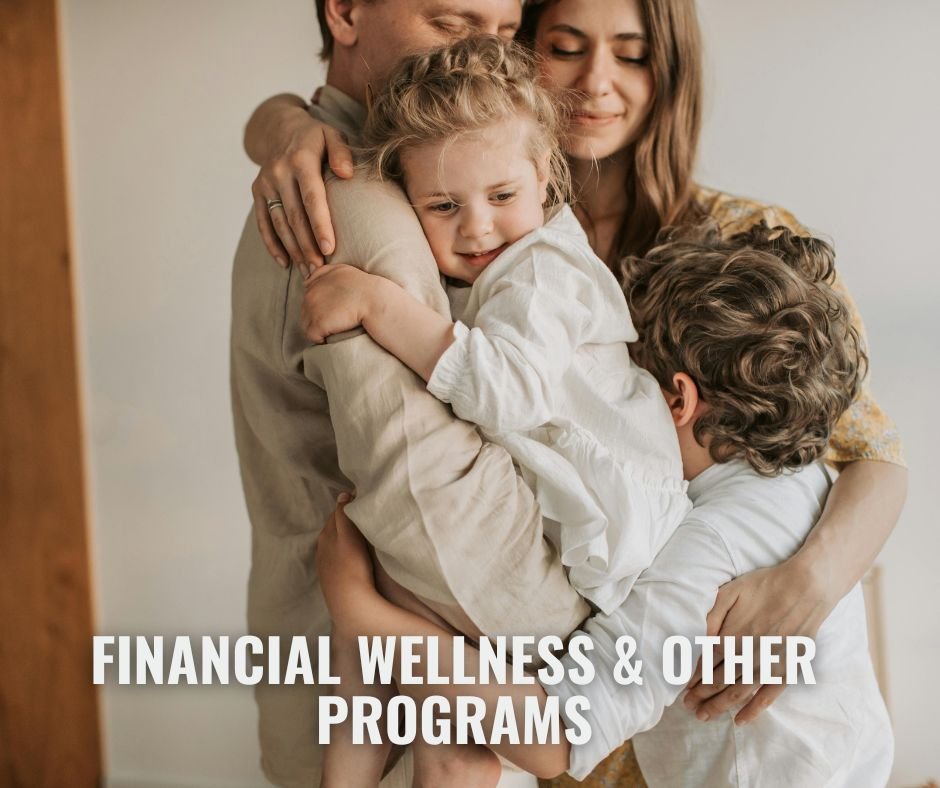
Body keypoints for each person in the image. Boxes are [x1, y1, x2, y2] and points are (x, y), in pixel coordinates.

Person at [240, 0, 907, 784]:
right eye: (564, 46)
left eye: (631, 54)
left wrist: (810, 582)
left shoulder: (738, 243)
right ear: (517, 58)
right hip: (569, 709)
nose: (596, 82)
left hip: (647, 695)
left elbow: (872, 457)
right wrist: (278, 120)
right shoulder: (460, 211)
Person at [315, 220, 894, 787]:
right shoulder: (806, 479)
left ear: (676, 399)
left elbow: (554, 737)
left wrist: (361, 613)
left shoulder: (705, 550)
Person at [304, 36, 690, 786]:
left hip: (614, 545)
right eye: (443, 206)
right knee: (429, 693)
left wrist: (379, 303)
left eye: (502, 197)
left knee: (409, 640)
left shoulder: (546, 270)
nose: (476, 228)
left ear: (545, 175)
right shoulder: (503, 257)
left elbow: (503, 388)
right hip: (568, 520)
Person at [231, 3, 592, 786]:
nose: (482, 56)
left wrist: (274, 119)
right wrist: (595, 650)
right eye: (452, 21)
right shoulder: (357, 208)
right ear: (348, 10)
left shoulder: (410, 178)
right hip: (391, 689)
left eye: (503, 33)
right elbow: (430, 503)